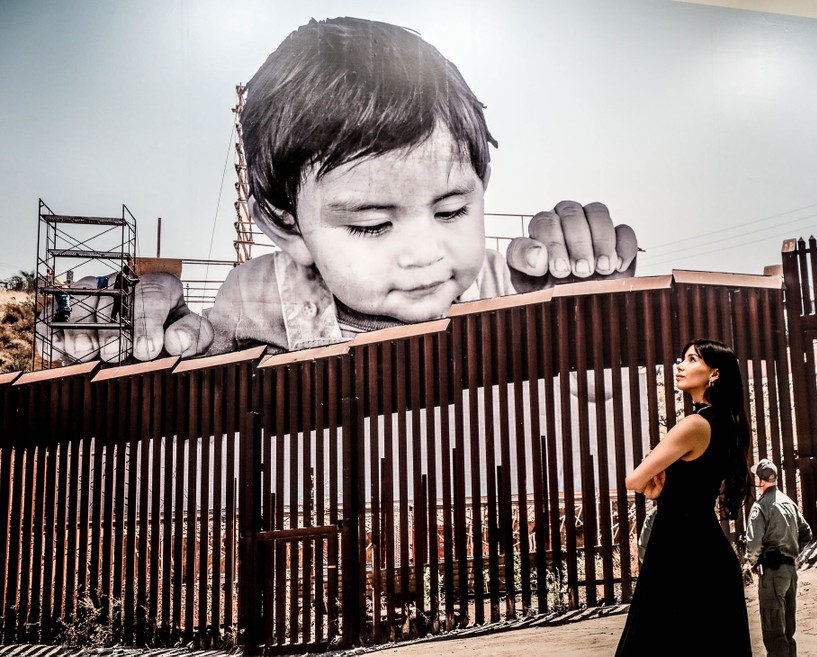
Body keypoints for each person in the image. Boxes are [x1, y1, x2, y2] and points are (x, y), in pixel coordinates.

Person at [46, 17, 639, 363]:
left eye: (453, 209)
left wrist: (593, 317)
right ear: (285, 223)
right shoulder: (255, 300)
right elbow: (202, 394)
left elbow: (590, 411)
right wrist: (152, 335)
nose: (424, 252)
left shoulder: (512, 290)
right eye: (372, 224)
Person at [616, 338, 754, 656]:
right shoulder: (729, 423)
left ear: (714, 374)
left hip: (680, 552)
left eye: (692, 360)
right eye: (682, 358)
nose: (680, 365)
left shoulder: (694, 424)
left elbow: (633, 480)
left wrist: (652, 479)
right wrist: (662, 488)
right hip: (703, 550)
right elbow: (683, 486)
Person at [745, 458, 813, 657]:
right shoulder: (789, 502)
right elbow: (806, 532)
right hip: (790, 571)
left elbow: (754, 542)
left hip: (772, 573)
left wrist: (752, 562)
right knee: (788, 630)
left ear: (761, 481)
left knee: (774, 631)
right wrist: (792, 553)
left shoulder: (761, 506)